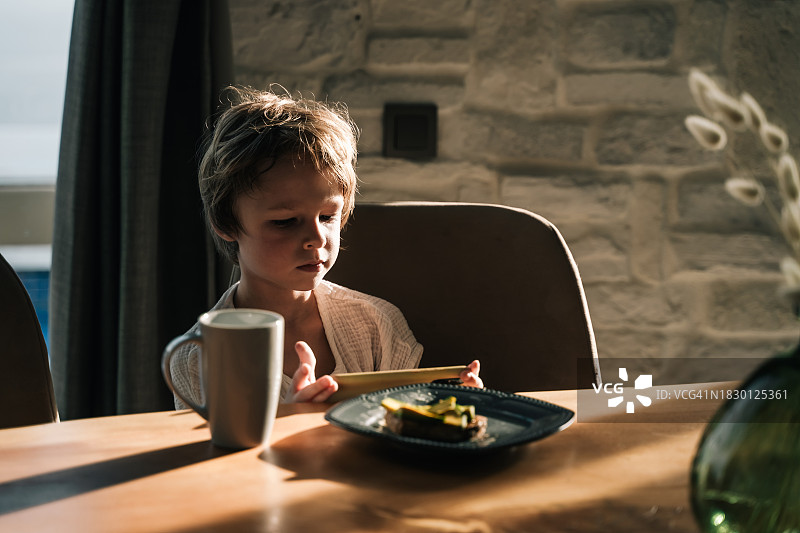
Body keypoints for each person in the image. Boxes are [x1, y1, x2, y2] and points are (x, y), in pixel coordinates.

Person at [169, 86, 482, 406]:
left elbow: (405, 434)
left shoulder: (376, 325)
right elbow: (211, 456)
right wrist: (288, 424)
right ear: (225, 223)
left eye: (328, 216)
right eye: (285, 221)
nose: (317, 239)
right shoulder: (198, 359)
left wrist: (449, 411)